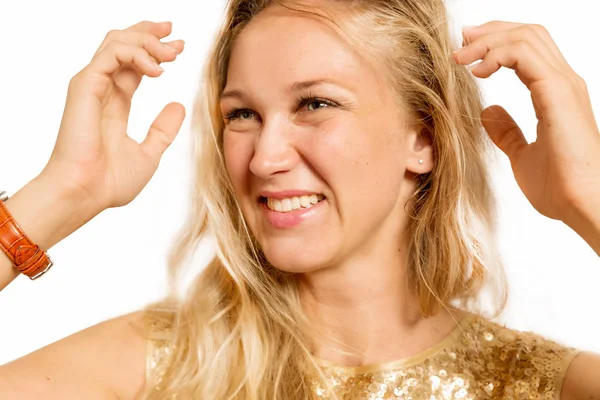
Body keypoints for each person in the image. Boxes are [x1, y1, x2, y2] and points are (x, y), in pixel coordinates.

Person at [1, 0, 599, 399]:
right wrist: (61, 194)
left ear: (424, 138)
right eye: (242, 114)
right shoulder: (156, 366)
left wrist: (590, 198)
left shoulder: (544, 385)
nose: (264, 158)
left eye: (315, 104)